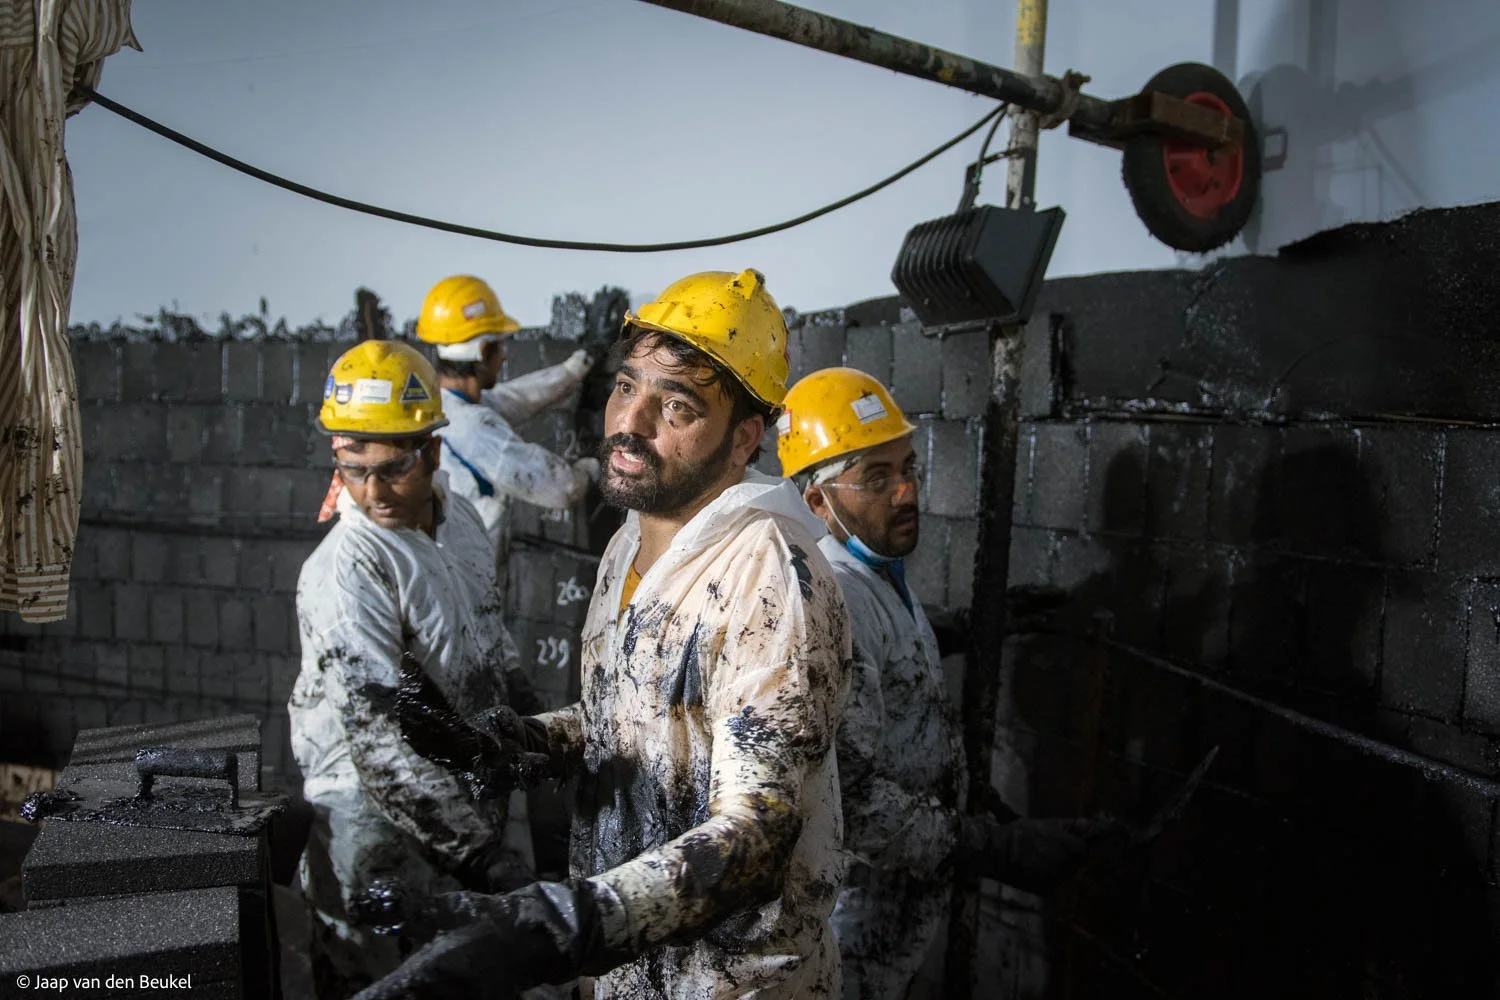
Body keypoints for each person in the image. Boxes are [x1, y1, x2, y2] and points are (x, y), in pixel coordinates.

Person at [356, 269, 853, 1000]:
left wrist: (566, 923)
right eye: (627, 388)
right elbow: (630, 718)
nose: (631, 422)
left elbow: (756, 835)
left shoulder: (772, 576)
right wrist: (514, 741)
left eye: (676, 406)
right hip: (629, 969)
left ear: (744, 438)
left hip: (726, 983)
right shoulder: (628, 542)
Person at [779, 367, 1156, 1000]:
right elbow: (853, 804)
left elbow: (882, 657)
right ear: (819, 502)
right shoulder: (833, 597)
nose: (906, 492)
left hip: (900, 899)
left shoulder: (875, 574)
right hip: (854, 913)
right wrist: (996, 847)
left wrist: (964, 626)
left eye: (909, 468)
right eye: (877, 478)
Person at [290, 339, 542, 999]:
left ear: (432, 450)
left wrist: (534, 718)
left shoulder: (461, 522)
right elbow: (378, 745)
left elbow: (487, 631)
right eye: (353, 470)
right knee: (382, 978)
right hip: (370, 811)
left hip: (458, 793)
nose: (372, 492)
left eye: (392, 469)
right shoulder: (348, 569)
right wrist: (482, 857)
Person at [413, 275, 603, 601]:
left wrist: (577, 366)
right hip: (465, 592)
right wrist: (594, 467)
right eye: (500, 346)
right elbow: (560, 487)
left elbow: (518, 397)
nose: (505, 357)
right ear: (483, 350)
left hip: (444, 578)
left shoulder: (440, 406)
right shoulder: (476, 428)